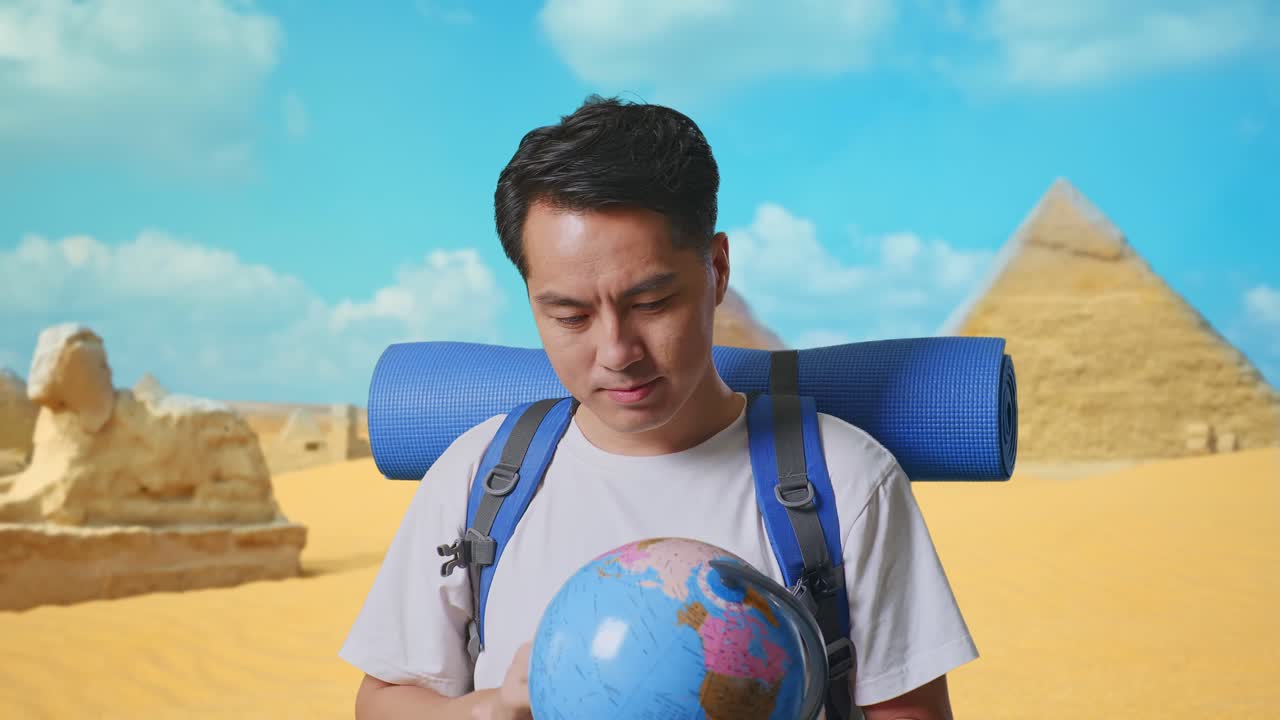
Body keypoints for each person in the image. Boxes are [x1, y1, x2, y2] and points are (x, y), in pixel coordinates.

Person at [340, 96, 979, 720]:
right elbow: (383, 699)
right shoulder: (480, 474)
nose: (617, 351)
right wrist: (493, 709)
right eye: (570, 315)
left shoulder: (845, 481)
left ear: (718, 269)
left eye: (651, 304)